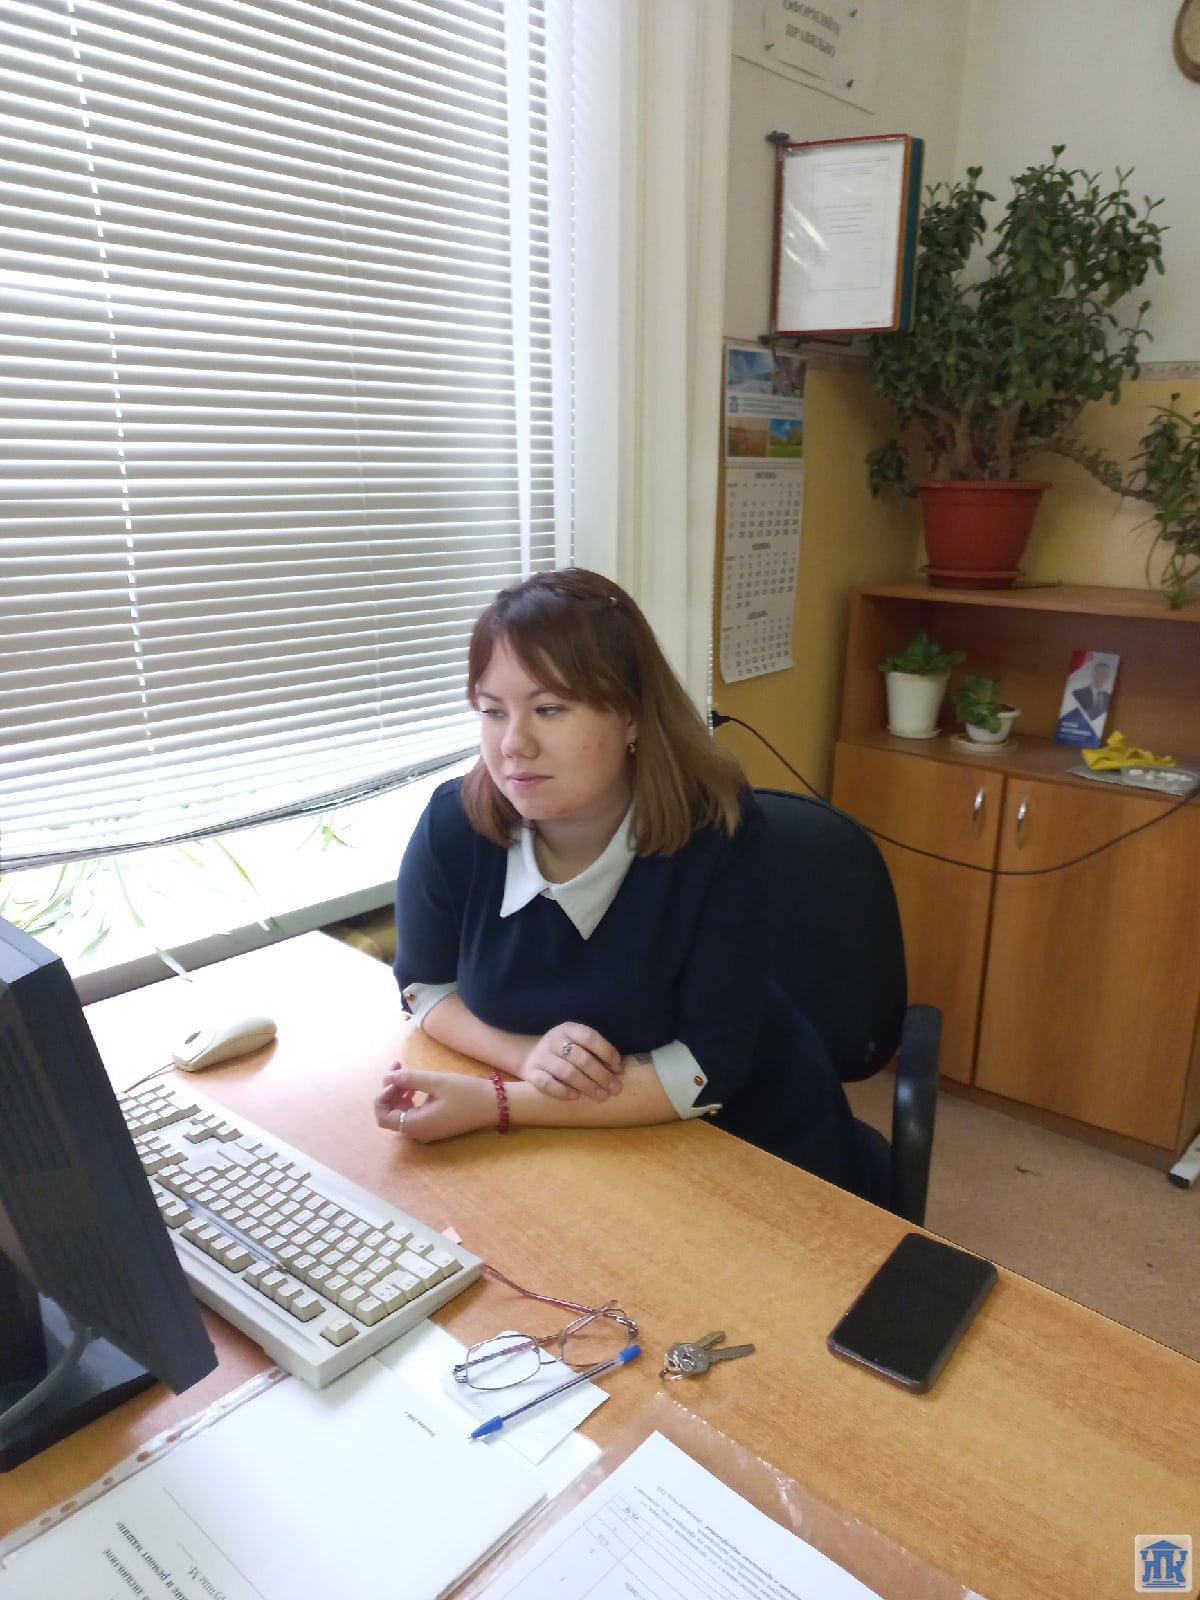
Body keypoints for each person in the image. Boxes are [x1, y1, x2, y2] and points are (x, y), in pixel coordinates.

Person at [374, 568, 869, 1197]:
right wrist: (525, 1057)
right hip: (578, 1152)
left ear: (631, 715)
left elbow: (704, 1071)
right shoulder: (454, 823)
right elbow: (423, 987)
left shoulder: (715, 833)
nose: (513, 744)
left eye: (550, 709)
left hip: (743, 1143)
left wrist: (500, 1102)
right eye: (493, 712)